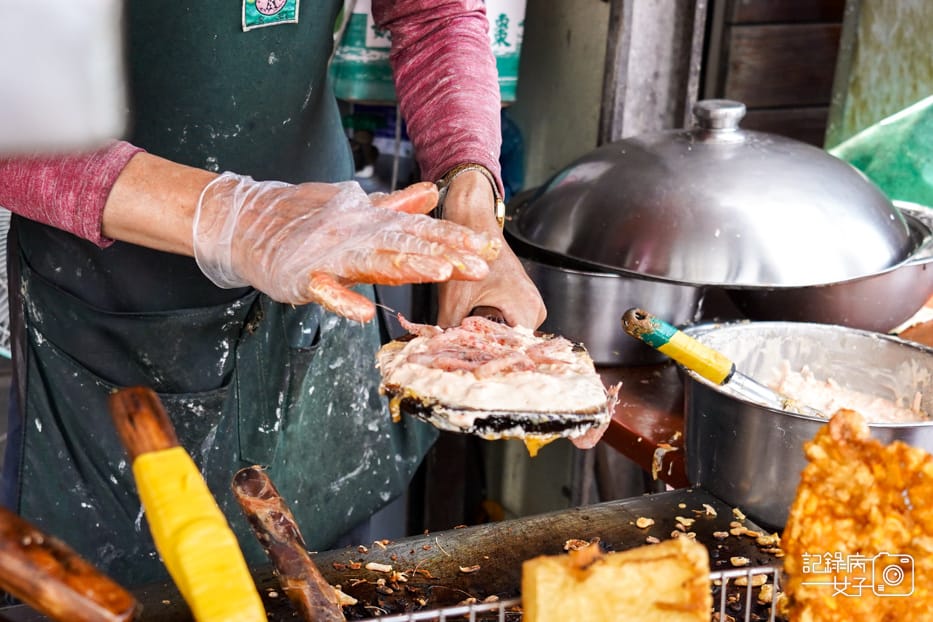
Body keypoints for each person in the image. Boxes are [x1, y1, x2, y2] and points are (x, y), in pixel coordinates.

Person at [0, 1, 559, 588]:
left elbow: (433, 14)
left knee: (344, 585)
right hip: (117, 308)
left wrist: (471, 205)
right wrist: (232, 218)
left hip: (325, 268)